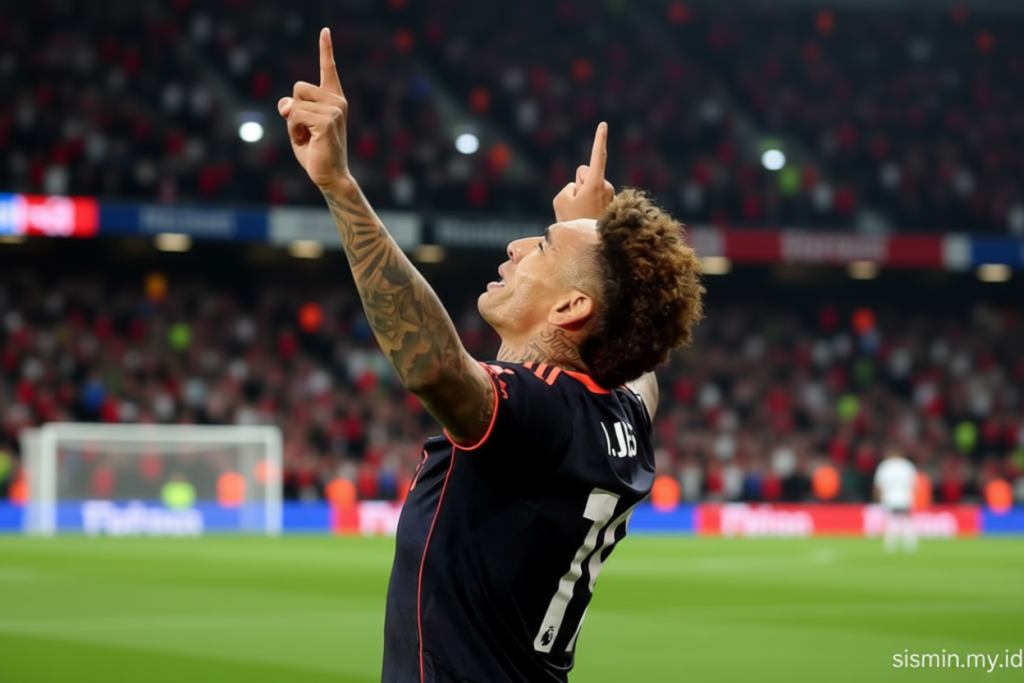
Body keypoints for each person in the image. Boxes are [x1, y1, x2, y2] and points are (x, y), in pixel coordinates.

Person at [278, 29, 704, 683]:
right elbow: (639, 348)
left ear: (571, 308)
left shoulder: (537, 409)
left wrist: (339, 184)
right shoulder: (624, 417)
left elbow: (434, 365)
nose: (516, 247)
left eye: (542, 245)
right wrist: (594, 234)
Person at [873, 447, 919, 553]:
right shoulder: (907, 466)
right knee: (907, 521)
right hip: (905, 498)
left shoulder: (885, 466)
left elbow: (879, 485)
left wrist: (877, 498)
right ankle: (910, 544)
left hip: (889, 498)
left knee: (890, 521)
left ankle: (890, 545)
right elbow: (914, 483)